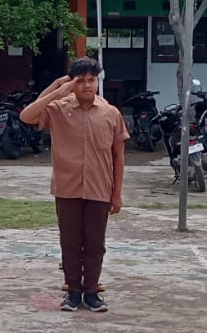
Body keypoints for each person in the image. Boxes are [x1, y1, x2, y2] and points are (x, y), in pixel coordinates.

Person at [21, 57, 128, 312]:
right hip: (67, 187)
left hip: (99, 188)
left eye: (92, 80)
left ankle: (91, 291)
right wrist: (57, 89)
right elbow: (27, 116)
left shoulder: (110, 113)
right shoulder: (58, 109)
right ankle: (73, 291)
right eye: (81, 81)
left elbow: (118, 157)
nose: (87, 86)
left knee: (94, 243)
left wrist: (117, 194)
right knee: (70, 242)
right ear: (72, 83)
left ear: (98, 82)